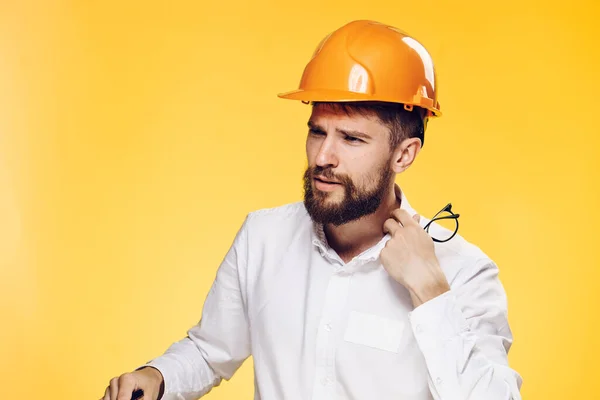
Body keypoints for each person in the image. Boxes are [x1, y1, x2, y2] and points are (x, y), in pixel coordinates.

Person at [101, 20, 523, 400]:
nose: (323, 156)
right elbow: (211, 350)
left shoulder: (464, 272)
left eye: (352, 139)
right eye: (317, 131)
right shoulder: (262, 238)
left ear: (403, 154)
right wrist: (158, 377)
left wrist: (431, 294)